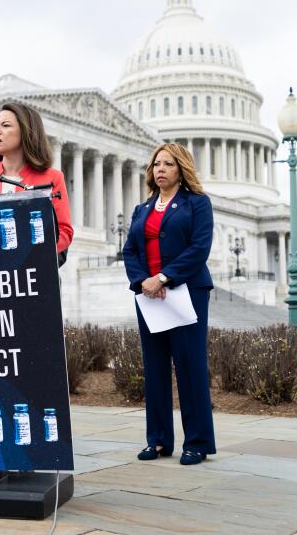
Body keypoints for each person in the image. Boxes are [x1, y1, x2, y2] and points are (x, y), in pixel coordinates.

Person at [121, 142, 215, 466]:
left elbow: (199, 248)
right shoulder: (141, 209)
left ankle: (198, 442)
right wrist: (143, 282)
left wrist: (164, 278)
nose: (160, 169)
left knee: (189, 367)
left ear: (181, 169)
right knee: (155, 368)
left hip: (186, 292)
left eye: (168, 164)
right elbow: (130, 250)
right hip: (148, 296)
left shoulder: (197, 204)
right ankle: (158, 440)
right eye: (156, 164)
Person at [0, 102, 73, 256]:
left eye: (5, 126)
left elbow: (64, 232)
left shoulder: (52, 178)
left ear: (26, 131)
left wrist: (30, 251)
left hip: (29, 269)